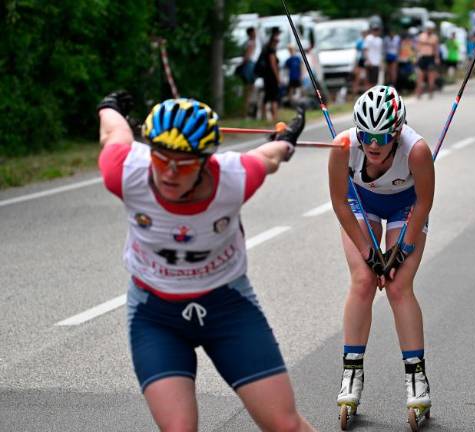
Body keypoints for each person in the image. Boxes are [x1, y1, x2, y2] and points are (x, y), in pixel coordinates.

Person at [96, 92, 316, 432]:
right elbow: (114, 132)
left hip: (227, 307)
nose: (169, 173)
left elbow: (267, 157)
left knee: (285, 425)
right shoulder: (125, 172)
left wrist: (285, 143)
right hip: (156, 316)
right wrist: (110, 107)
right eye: (161, 159)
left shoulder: (233, 177)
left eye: (183, 164)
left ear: (205, 162)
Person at [328, 85, 435, 422]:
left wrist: (401, 251)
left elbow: (424, 202)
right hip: (361, 203)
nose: (373, 144)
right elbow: (338, 203)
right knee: (363, 280)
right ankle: (351, 376)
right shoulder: (344, 146)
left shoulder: (416, 151)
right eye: (367, 135)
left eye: (383, 136)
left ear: (398, 131)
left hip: (407, 207)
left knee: (398, 286)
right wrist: (368, 251)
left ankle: (416, 380)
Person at [260, 28, 281, 121]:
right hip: (271, 76)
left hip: (266, 76)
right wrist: (278, 77)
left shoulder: (266, 48)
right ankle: (275, 117)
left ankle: (263, 116)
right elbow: (273, 65)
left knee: (267, 96)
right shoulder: (271, 50)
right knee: (273, 96)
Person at [415, 21, 440, 99]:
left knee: (431, 76)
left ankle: (430, 92)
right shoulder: (421, 36)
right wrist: (416, 57)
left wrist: (437, 58)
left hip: (430, 57)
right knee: (420, 76)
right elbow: (418, 47)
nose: (429, 30)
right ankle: (419, 93)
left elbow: (436, 48)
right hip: (422, 57)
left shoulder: (434, 37)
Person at [240, 27, 259, 118]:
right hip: (249, 65)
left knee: (249, 89)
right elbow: (247, 56)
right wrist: (242, 64)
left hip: (250, 65)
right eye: (254, 32)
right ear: (251, 33)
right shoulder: (251, 43)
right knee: (249, 89)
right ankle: (246, 112)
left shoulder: (251, 42)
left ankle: (247, 111)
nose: (255, 33)